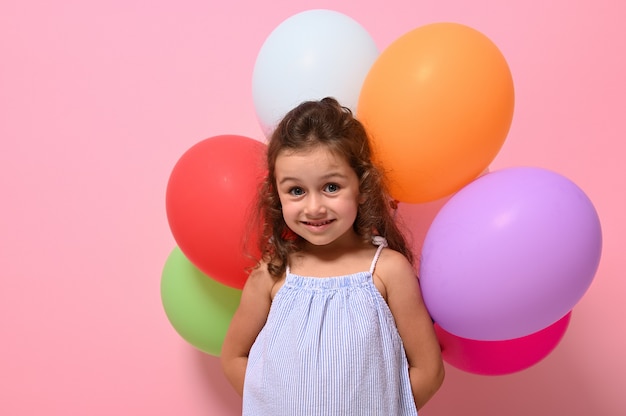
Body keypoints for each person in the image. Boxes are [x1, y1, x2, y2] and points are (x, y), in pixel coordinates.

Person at [221, 97, 444, 415]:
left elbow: (429, 370)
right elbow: (233, 357)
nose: (314, 208)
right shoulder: (273, 273)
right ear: (277, 194)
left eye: (331, 187)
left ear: (362, 187)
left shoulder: (387, 271)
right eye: (296, 191)